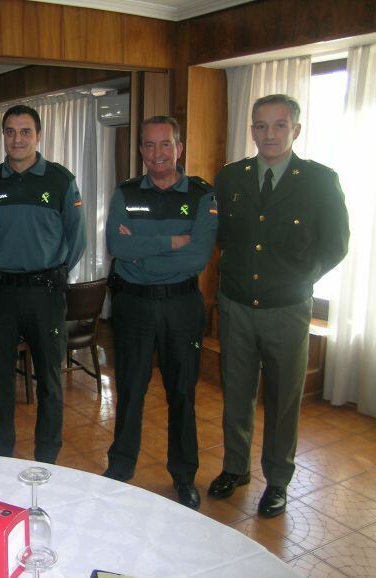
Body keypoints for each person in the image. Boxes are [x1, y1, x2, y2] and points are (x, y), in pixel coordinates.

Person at [209, 94, 349, 517]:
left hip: (287, 310)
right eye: (260, 126)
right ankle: (235, 467)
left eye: (279, 125)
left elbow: (336, 244)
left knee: (284, 398)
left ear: (296, 130)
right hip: (235, 305)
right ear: (251, 130)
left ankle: (277, 479)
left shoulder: (320, 180)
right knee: (236, 392)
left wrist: (300, 278)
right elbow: (222, 236)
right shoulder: (231, 178)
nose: (268, 134)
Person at [102, 116, 217, 509]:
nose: (157, 154)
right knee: (130, 389)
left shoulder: (202, 195)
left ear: (179, 148)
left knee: (182, 392)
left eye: (165, 144)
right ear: (141, 151)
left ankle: (184, 475)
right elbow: (118, 247)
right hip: (133, 304)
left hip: (182, 305)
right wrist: (173, 241)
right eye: (149, 146)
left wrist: (145, 246)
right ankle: (120, 467)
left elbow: (198, 254)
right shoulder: (126, 193)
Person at [0, 104, 86, 464]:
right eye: (10, 131)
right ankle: (1, 449)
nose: (17, 138)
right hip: (1, 294)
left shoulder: (60, 180)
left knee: (50, 379)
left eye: (25, 131)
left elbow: (77, 237)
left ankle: (47, 454)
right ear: (3, 135)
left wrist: (55, 272)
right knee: (0, 379)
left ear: (38, 136)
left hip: (45, 293)